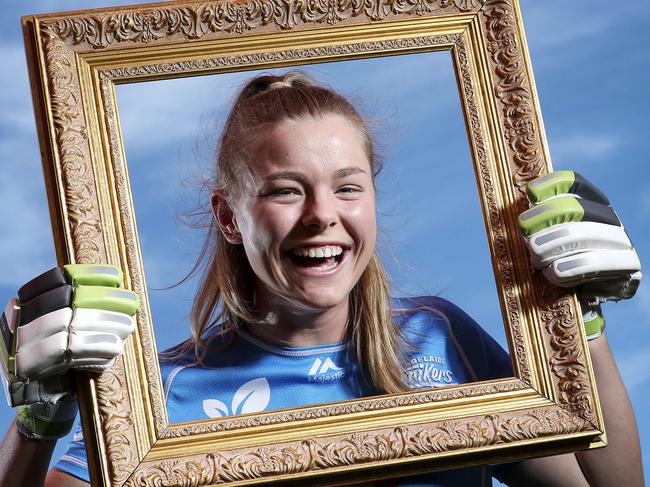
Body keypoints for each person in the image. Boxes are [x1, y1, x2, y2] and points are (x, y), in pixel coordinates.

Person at [0, 72, 643, 486]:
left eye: (347, 188)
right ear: (229, 216)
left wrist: (577, 325)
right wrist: (34, 424)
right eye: (286, 190)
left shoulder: (439, 337)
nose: (322, 217)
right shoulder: (158, 395)